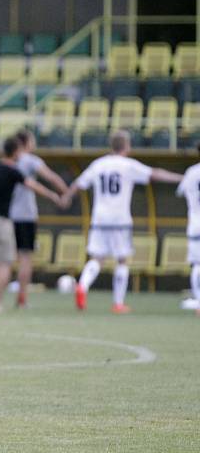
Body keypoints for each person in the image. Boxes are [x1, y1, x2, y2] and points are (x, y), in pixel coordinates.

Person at [62, 130, 183, 313]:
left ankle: (82, 286)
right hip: (120, 219)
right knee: (122, 260)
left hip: (100, 219)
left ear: (111, 145)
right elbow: (154, 174)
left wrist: (66, 197)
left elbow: (79, 184)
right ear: (126, 146)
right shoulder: (127, 165)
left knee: (97, 259)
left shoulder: (98, 164)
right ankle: (118, 303)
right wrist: (182, 178)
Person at [0, 137, 62, 313]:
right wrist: (53, 196)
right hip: (2, 221)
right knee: (5, 263)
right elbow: (33, 185)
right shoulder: (13, 171)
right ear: (16, 151)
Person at [9, 130, 68, 308]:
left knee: (4, 258)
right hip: (26, 216)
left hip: (8, 215)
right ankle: (22, 298)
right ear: (26, 142)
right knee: (26, 258)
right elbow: (50, 177)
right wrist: (65, 192)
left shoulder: (8, 161)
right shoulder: (31, 161)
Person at [177, 148, 200, 315]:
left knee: (197, 264)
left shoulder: (191, 172)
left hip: (196, 224)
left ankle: (199, 302)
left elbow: (180, 191)